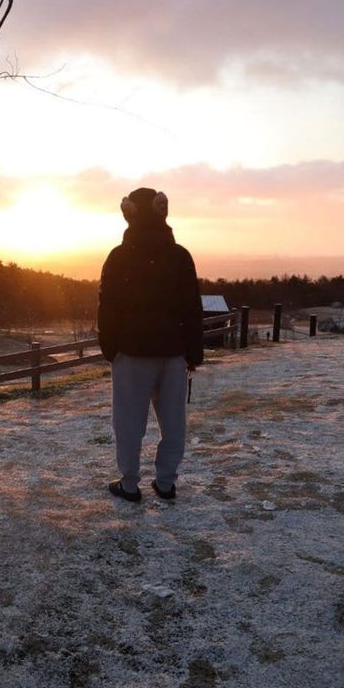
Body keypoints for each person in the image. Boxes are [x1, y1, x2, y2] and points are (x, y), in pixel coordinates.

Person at [97, 187, 203, 503]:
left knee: (129, 424)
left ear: (129, 214)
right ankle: (166, 483)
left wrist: (110, 348)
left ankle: (130, 484)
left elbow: (108, 305)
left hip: (131, 354)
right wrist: (193, 352)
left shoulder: (118, 257)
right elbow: (192, 307)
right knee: (173, 423)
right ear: (162, 213)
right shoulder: (180, 256)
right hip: (173, 355)